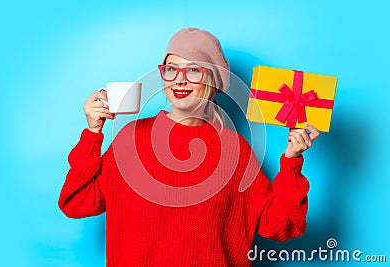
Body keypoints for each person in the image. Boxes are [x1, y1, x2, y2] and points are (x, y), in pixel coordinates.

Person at [58, 28, 320, 266]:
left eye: (193, 70)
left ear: (213, 81)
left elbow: (282, 226)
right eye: (171, 69)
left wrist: (292, 160)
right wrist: (93, 132)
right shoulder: (130, 140)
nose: (179, 80)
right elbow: (76, 202)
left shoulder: (235, 151)